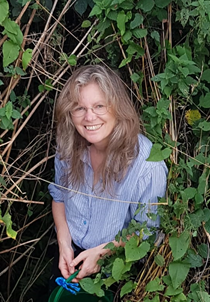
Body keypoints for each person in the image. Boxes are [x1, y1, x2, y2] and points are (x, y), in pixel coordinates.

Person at [48, 65, 168, 282]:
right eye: (79, 108)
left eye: (99, 106)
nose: (89, 117)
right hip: (69, 256)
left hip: (118, 269)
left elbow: (146, 232)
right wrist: (64, 244)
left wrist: (102, 253)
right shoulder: (67, 146)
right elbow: (59, 197)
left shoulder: (147, 165)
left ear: (117, 108)